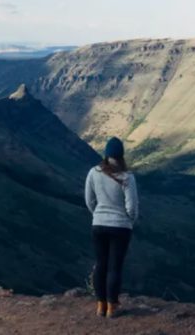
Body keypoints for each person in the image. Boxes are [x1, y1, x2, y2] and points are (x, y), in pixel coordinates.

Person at [84, 136, 139, 318]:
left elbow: (89, 199)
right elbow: (132, 206)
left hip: (99, 224)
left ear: (106, 154)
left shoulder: (93, 172)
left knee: (101, 264)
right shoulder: (127, 177)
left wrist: (98, 214)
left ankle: (100, 305)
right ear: (121, 155)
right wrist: (129, 221)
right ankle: (112, 306)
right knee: (115, 267)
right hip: (120, 227)